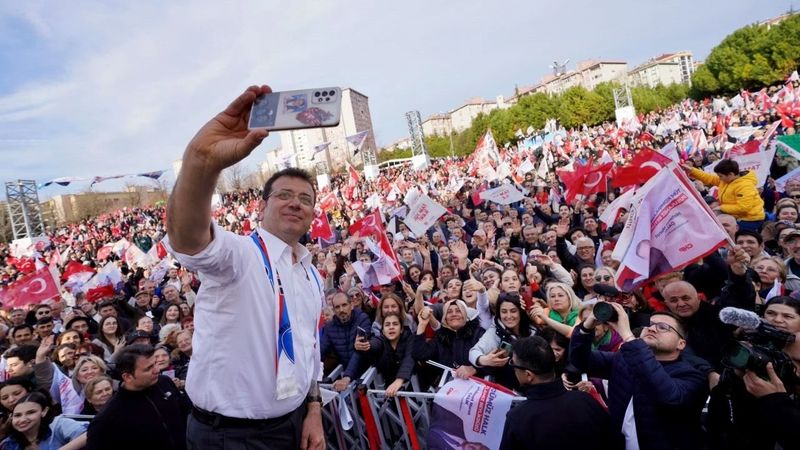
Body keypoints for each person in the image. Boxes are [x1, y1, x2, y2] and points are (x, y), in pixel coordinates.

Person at [163, 86, 325, 450]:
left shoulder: (311, 274)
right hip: (232, 437)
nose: (295, 204)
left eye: (305, 200)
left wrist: (313, 408)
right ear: (261, 207)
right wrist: (201, 163)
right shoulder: (240, 256)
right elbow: (188, 238)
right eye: (283, 195)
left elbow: (308, 348)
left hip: (294, 423)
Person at [570, 303, 708, 450]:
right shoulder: (623, 360)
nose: (652, 328)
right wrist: (586, 328)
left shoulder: (693, 377)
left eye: (663, 327)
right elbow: (580, 360)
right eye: (649, 325)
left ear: (681, 344)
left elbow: (669, 396)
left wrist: (629, 337)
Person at [499, 336, 618, 449]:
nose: (513, 369)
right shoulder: (586, 401)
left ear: (528, 375)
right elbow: (614, 441)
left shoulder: (518, 418)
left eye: (513, 364)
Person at [86, 344, 190, 450]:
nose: (157, 370)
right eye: (148, 368)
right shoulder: (108, 417)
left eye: (155, 364)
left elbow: (185, 412)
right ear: (128, 377)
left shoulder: (165, 382)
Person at [684, 158, 765, 231]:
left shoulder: (745, 186)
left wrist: (721, 208)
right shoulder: (726, 180)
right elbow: (709, 178)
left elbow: (743, 207)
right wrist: (691, 170)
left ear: (730, 174)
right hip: (736, 215)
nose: (719, 178)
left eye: (720, 176)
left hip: (750, 219)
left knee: (726, 231)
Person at [320, 291, 371, 392]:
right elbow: (321, 351)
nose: (341, 310)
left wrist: (347, 377)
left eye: (344, 305)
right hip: (348, 374)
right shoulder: (329, 327)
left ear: (351, 305)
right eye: (337, 307)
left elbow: (359, 350)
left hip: (368, 373)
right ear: (333, 309)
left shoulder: (362, 319)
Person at [1, 391, 87, 450]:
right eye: (17, 415)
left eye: (31, 412)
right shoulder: (9, 443)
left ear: (44, 411)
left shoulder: (58, 424)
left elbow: (90, 434)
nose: (22, 419)